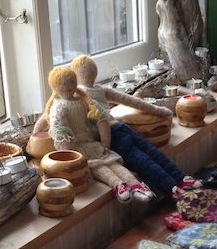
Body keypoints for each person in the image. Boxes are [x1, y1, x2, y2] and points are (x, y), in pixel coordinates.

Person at [70, 55, 200, 196]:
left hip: (111, 137)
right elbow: (132, 101)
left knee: (141, 160)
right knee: (152, 152)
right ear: (95, 73)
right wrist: (159, 110)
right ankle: (182, 178)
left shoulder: (77, 96)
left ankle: (171, 188)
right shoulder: (101, 89)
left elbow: (60, 116)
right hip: (122, 127)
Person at [33, 67, 154, 203]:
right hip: (77, 152)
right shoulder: (58, 107)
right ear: (56, 86)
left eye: (72, 81)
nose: (70, 85)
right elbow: (61, 130)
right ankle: (118, 185)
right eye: (65, 83)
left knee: (113, 163)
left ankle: (136, 185)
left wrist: (105, 142)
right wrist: (68, 154)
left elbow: (101, 119)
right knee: (99, 167)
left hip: (93, 145)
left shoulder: (83, 100)